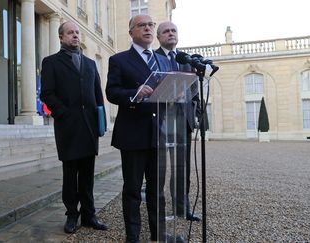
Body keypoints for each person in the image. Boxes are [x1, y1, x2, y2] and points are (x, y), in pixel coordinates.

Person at [105, 14, 172, 243]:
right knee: (133, 190)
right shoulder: (119, 60)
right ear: (131, 32)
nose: (148, 28)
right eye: (142, 25)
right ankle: (132, 236)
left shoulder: (163, 60)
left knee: (157, 190)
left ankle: (158, 233)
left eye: (151, 25)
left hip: (158, 133)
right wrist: (134, 93)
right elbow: (112, 93)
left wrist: (176, 93)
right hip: (132, 134)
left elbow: (167, 92)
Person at [40, 21, 108, 234]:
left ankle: (89, 215)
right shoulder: (51, 62)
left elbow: (98, 95)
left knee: (87, 175)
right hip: (68, 128)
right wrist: (64, 114)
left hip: (89, 128)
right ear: (61, 37)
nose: (75, 35)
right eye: (70, 33)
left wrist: (101, 122)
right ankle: (72, 215)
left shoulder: (90, 64)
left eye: (77, 32)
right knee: (70, 176)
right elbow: (47, 93)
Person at [155, 21, 201, 221]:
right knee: (159, 169)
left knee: (182, 168)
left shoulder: (186, 60)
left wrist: (190, 104)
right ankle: (157, 210)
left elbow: (194, 89)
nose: (170, 34)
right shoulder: (153, 58)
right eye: (166, 31)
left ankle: (182, 208)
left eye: (173, 30)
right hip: (160, 120)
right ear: (159, 37)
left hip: (183, 121)